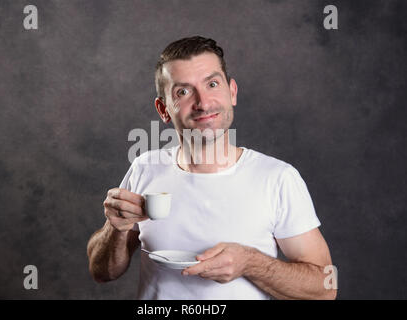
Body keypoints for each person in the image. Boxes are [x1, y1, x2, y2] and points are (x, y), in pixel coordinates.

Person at [87, 36, 337, 300]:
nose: (203, 103)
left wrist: (251, 263)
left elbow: (325, 289)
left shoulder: (277, 178)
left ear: (232, 92)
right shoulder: (144, 168)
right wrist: (115, 228)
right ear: (163, 109)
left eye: (212, 84)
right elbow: (102, 272)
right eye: (183, 92)